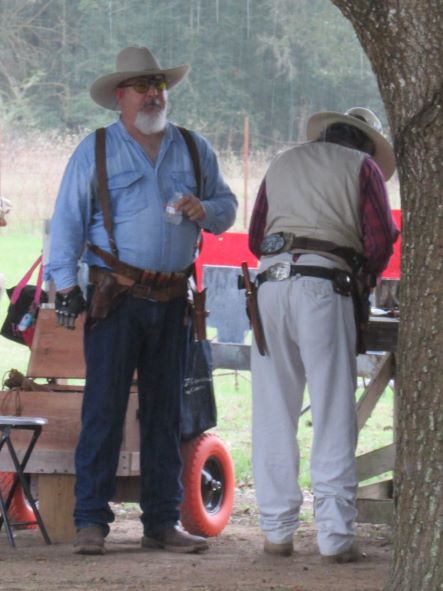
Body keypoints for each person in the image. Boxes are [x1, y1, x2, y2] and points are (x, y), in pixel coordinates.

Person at [46, 46, 237, 555]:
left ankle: (161, 522)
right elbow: (67, 221)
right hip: (116, 298)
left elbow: (227, 208)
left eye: (159, 85)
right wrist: (65, 286)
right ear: (120, 96)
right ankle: (90, 522)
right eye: (142, 86)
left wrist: (206, 208)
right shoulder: (96, 149)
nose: (154, 94)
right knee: (103, 408)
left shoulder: (194, 148)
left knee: (166, 414)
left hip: (173, 299)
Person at [248, 108, 399, 562]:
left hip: (269, 285)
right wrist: (364, 275)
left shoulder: (282, 162)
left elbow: (257, 237)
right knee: (332, 410)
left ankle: (277, 532)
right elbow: (379, 239)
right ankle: (334, 536)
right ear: (366, 144)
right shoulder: (362, 166)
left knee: (273, 412)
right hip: (324, 285)